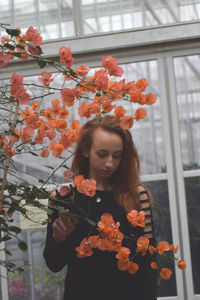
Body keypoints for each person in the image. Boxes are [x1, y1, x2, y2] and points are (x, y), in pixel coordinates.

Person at [43, 115, 157, 300]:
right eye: (102, 154)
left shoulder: (137, 196)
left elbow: (149, 263)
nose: (110, 163)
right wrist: (58, 239)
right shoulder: (63, 199)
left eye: (117, 156)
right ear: (86, 150)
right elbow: (54, 264)